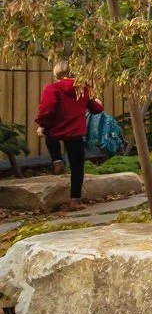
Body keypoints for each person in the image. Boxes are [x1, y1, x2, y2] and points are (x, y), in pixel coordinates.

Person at [35, 60, 103, 211]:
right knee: (77, 166)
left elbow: (47, 109)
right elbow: (96, 109)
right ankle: (75, 201)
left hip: (55, 129)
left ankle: (57, 160)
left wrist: (42, 124)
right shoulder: (84, 89)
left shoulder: (52, 88)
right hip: (75, 132)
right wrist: (98, 102)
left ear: (57, 73)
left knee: (49, 136)